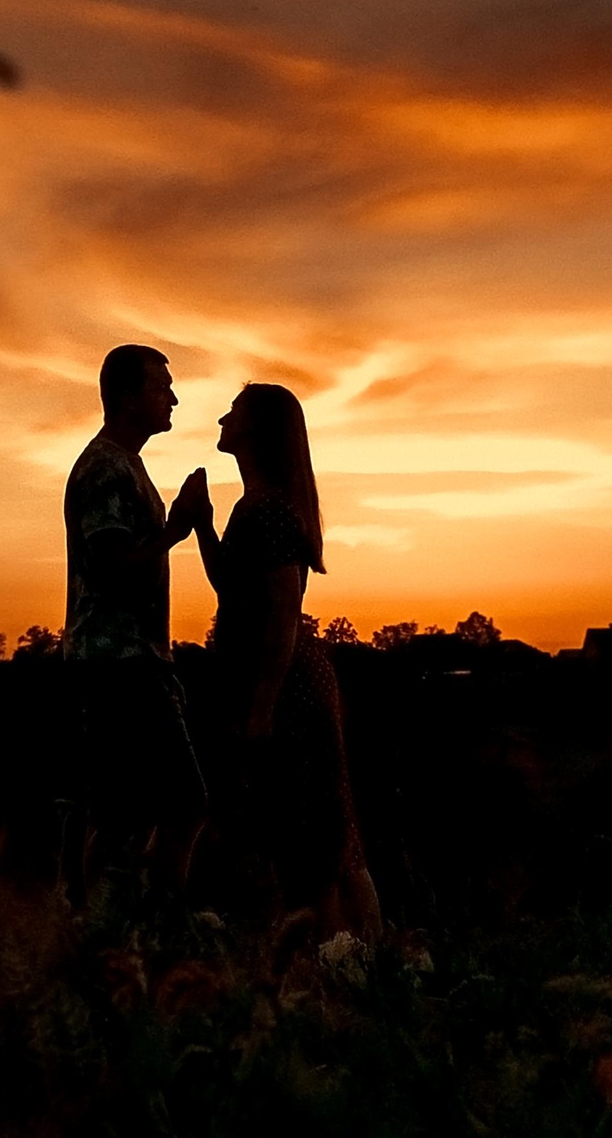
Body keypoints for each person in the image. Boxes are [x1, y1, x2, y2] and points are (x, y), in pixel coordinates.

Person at [190, 382, 382, 941]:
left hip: (289, 686)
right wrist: (201, 521)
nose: (224, 417)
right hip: (270, 682)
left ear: (257, 430)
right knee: (299, 826)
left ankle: (356, 956)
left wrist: (262, 708)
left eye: (236, 411)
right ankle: (340, 958)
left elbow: (281, 614)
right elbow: (230, 586)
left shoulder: (272, 511)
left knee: (318, 831)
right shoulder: (254, 504)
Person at [62, 343, 210, 905]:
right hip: (116, 666)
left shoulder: (126, 464)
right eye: (160, 387)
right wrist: (178, 528)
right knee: (178, 802)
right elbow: (111, 567)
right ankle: (134, 927)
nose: (171, 397)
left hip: (131, 663)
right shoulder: (106, 468)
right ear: (127, 398)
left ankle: (113, 924)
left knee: (129, 810)